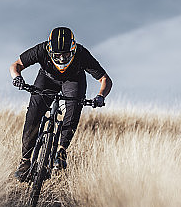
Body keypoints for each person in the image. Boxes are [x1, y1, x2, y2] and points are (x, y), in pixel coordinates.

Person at [10, 27, 113, 180]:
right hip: (47, 79)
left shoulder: (82, 54)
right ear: (49, 50)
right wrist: (17, 77)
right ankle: (25, 161)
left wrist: (100, 96)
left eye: (66, 55)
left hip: (73, 80)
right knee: (33, 114)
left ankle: (61, 151)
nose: (62, 59)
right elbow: (16, 65)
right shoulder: (41, 49)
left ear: (73, 49)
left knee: (74, 107)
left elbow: (105, 80)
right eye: (57, 56)